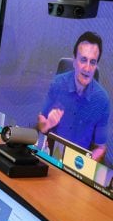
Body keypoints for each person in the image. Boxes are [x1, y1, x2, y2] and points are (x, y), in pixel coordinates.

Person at [37, 31, 110, 162]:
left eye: (92, 62)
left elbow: (100, 147)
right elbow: (41, 123)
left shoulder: (102, 100)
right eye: (83, 60)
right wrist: (48, 123)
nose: (87, 68)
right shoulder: (57, 84)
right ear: (75, 60)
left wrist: (83, 166)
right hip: (52, 157)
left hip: (79, 163)